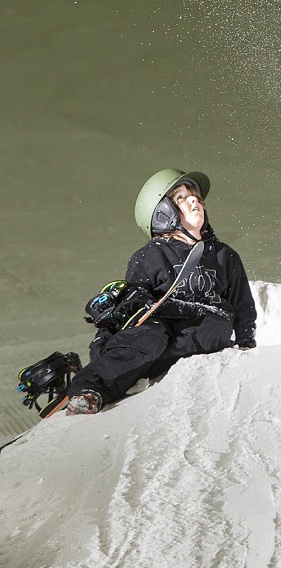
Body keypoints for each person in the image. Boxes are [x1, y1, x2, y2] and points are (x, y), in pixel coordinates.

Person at [64, 169, 257, 415]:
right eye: (181, 198)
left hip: (201, 333)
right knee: (150, 335)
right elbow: (135, 316)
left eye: (195, 196)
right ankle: (91, 388)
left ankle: (135, 367)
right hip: (158, 332)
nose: (194, 201)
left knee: (216, 326)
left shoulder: (224, 256)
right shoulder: (151, 255)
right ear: (163, 213)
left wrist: (246, 347)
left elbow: (243, 307)